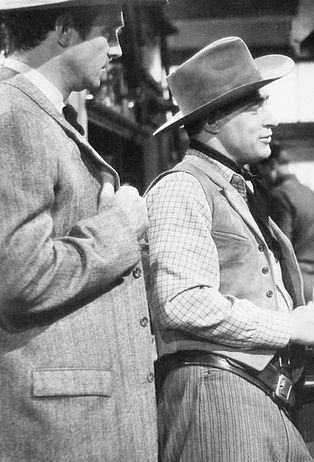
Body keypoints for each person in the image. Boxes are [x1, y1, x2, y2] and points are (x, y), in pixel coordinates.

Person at [146, 37, 314, 461]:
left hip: (259, 396)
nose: (272, 119)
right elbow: (180, 302)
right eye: (255, 107)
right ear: (213, 120)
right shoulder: (182, 186)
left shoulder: (239, 189)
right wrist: (291, 327)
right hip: (217, 400)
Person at [0, 1, 164, 460]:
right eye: (109, 33)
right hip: (60, 424)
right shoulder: (13, 114)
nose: (116, 50)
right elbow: (19, 277)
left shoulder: (39, 113)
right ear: (65, 30)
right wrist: (121, 228)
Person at [250, 142, 314, 302]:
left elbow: (279, 247)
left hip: (295, 281)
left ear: (271, 166)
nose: (256, 177)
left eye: (257, 170)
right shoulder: (313, 195)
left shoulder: (278, 195)